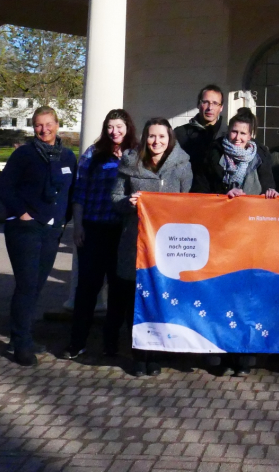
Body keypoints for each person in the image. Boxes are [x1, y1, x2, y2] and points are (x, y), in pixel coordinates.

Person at [191, 108, 278, 376]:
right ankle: (218, 354)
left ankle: (244, 357)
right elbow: (200, 192)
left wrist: (272, 192)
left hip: (252, 237)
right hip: (221, 234)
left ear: (251, 135)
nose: (238, 137)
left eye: (243, 133)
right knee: (221, 294)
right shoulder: (213, 154)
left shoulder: (260, 155)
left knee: (248, 296)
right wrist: (223, 195)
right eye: (234, 131)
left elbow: (269, 186)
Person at [109, 118, 192, 376]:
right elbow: (114, 198)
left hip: (166, 245)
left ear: (170, 140)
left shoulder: (182, 165)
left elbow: (189, 202)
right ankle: (138, 355)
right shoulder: (130, 163)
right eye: (152, 136)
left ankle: (156, 354)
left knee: (159, 298)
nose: (157, 142)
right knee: (136, 300)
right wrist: (128, 204)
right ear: (145, 138)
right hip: (135, 242)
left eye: (162, 137)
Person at [0, 106, 78, 366]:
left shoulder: (67, 156)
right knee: (27, 285)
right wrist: (22, 213)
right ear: (34, 128)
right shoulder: (24, 155)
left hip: (52, 230)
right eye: (39, 125)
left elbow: (71, 190)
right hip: (25, 229)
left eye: (48, 124)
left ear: (57, 124)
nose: (44, 130)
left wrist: (64, 221)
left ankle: (22, 336)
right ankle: (21, 343)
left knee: (37, 286)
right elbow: (4, 187)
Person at [65, 109, 137, 361]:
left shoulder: (135, 155)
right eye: (110, 127)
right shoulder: (92, 154)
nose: (114, 131)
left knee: (119, 292)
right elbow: (79, 192)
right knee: (87, 288)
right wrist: (78, 226)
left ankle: (111, 344)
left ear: (128, 127)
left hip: (123, 233)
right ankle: (77, 343)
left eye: (119, 126)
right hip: (94, 230)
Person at [174, 84, 227, 165]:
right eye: (205, 102)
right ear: (198, 104)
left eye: (215, 103)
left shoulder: (228, 135)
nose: (210, 108)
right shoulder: (180, 133)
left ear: (221, 108)